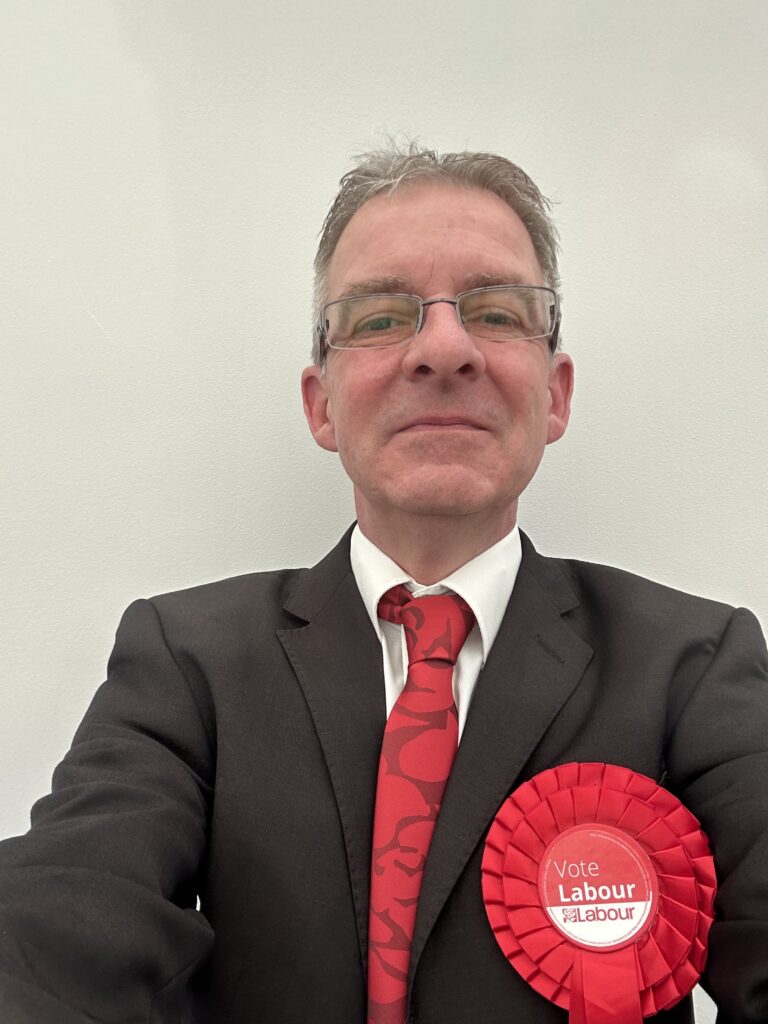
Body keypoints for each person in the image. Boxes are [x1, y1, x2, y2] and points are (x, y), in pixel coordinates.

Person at [1, 144, 766, 1024]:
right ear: (321, 404)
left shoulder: (694, 663)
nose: (444, 348)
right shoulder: (187, 661)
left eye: (496, 310)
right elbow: (63, 909)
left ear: (555, 396)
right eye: (378, 319)